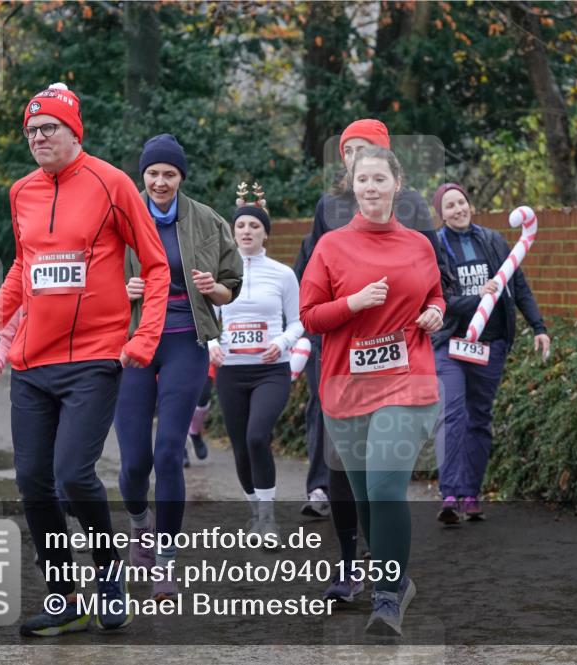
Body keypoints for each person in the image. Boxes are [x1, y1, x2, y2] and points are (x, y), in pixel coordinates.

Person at [0, 83, 171, 637]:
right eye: (30, 131)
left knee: (73, 474)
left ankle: (108, 576)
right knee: (32, 481)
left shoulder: (113, 184)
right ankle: (64, 595)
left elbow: (155, 267)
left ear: (74, 131)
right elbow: (22, 269)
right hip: (32, 362)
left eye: (48, 128)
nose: (38, 138)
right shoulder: (22, 192)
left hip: (94, 358)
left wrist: (143, 339)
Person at [292, 118, 453, 599]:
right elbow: (310, 305)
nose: (367, 182)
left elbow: (435, 287)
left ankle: (388, 589)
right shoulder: (329, 227)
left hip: (406, 376)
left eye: (377, 173)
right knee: (355, 488)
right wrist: (352, 304)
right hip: (344, 373)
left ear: (396, 181)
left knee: (383, 487)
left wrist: (434, 311)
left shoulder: (417, 229)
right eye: (358, 170)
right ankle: (359, 564)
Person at [116, 133, 242, 601]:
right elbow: (94, 279)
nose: (160, 181)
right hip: (132, 343)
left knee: (168, 452)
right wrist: (120, 291)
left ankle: (165, 561)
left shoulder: (208, 222)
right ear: (142, 176)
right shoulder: (123, 220)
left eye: (169, 174)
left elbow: (232, 285)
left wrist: (215, 291)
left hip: (185, 342)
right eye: (153, 173)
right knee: (133, 462)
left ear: (181, 177)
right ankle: (140, 525)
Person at [430, 183, 550, 524]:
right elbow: (438, 298)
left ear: (470, 204)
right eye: (449, 206)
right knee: (453, 414)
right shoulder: (436, 246)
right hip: (451, 343)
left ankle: (470, 494)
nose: (458, 209)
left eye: (461, 202)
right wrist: (476, 299)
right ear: (441, 213)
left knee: (479, 417)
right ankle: (449, 494)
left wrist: (539, 327)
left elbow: (519, 285)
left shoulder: (494, 240)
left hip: (489, 342)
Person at [209, 189, 302, 542]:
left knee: (257, 436)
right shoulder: (219, 274)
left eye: (254, 226)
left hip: (270, 370)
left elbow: (298, 321)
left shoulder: (282, 274)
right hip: (231, 371)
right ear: (233, 233)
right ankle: (254, 511)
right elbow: (207, 321)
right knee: (240, 444)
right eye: (241, 226)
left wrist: (282, 343)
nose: (246, 231)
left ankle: (268, 518)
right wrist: (212, 345)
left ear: (265, 233)